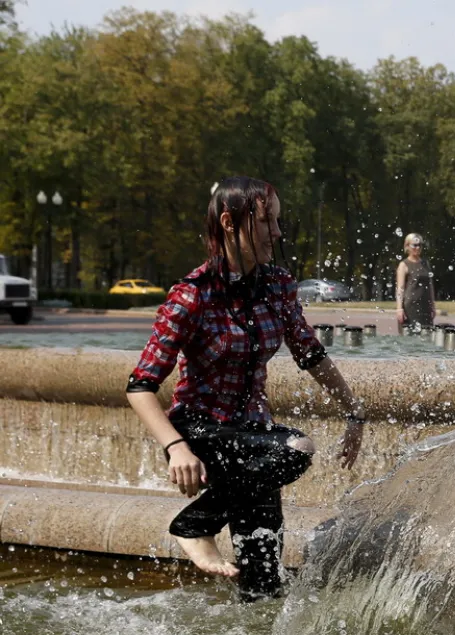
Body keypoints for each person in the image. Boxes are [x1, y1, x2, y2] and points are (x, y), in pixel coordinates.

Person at [124, 176, 368, 601]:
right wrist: (176, 448)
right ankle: (196, 523)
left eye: (277, 221)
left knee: (263, 577)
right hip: (204, 432)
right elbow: (140, 385)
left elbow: (309, 353)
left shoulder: (277, 286)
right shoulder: (192, 296)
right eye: (267, 221)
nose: (278, 232)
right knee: (296, 448)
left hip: (252, 443)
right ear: (230, 223)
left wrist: (354, 411)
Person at [395, 232, 436, 333]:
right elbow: (400, 288)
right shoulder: (404, 264)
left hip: (425, 306)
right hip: (410, 307)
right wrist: (399, 308)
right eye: (414, 245)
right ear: (407, 246)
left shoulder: (426, 263)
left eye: (420, 245)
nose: (417, 248)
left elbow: (430, 286)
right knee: (410, 337)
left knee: (427, 335)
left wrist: (433, 306)